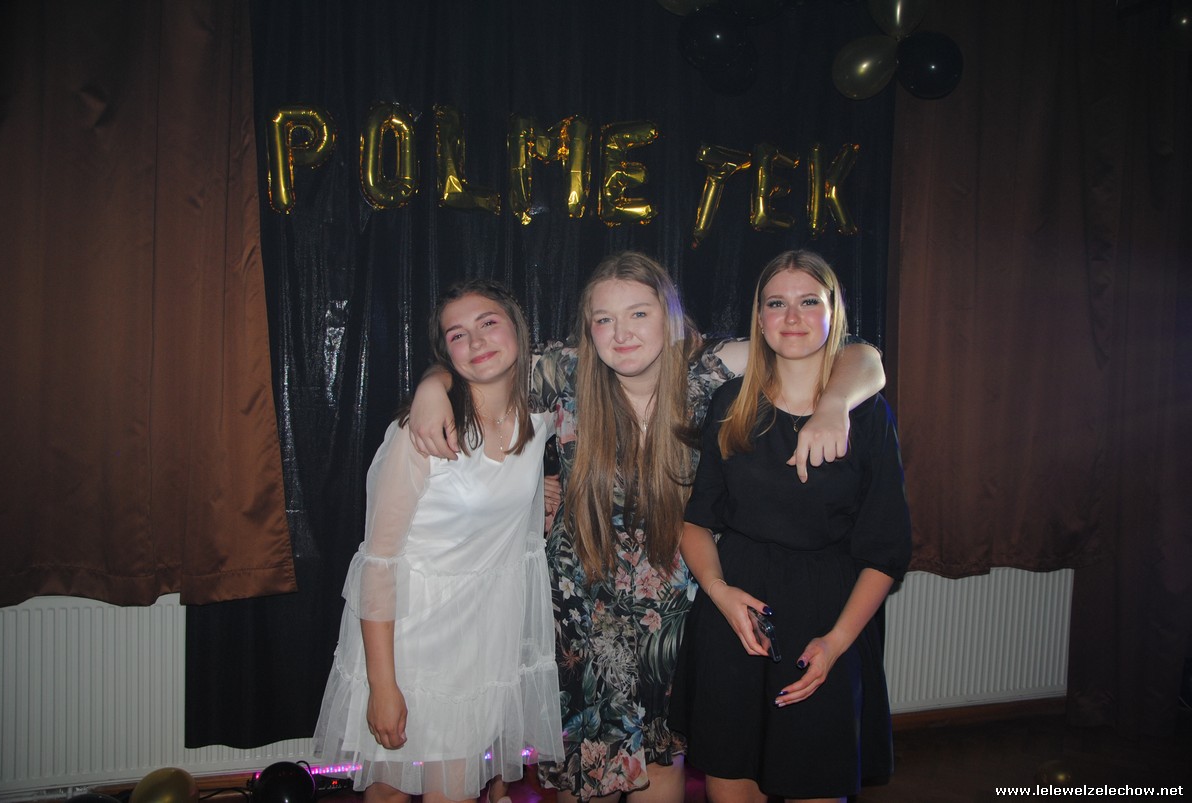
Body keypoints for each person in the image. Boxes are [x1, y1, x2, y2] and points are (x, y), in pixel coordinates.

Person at [408, 252, 885, 802]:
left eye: (638, 313)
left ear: (670, 317)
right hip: (581, 614)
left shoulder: (710, 369)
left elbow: (858, 353)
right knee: (587, 775)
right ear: (589, 329)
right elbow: (479, 360)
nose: (622, 333)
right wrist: (431, 385)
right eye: (604, 319)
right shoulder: (564, 371)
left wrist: (835, 404)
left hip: (678, 610)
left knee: (662, 764)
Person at [670, 250, 911, 803]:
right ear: (759, 319)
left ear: (833, 314)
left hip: (826, 622)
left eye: (809, 302)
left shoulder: (867, 415)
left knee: (815, 781)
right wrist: (720, 593)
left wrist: (837, 642)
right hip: (736, 620)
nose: (793, 317)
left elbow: (886, 552)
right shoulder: (731, 403)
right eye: (777, 303)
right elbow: (696, 522)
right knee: (731, 782)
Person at [313, 279, 563, 803]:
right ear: (445, 353)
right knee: (389, 792)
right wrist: (383, 686)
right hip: (407, 641)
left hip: (479, 645)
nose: (476, 341)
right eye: (457, 334)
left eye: (488, 323)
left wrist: (538, 499)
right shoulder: (421, 433)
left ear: (518, 329)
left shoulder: (538, 421)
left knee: (455, 792)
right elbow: (378, 564)